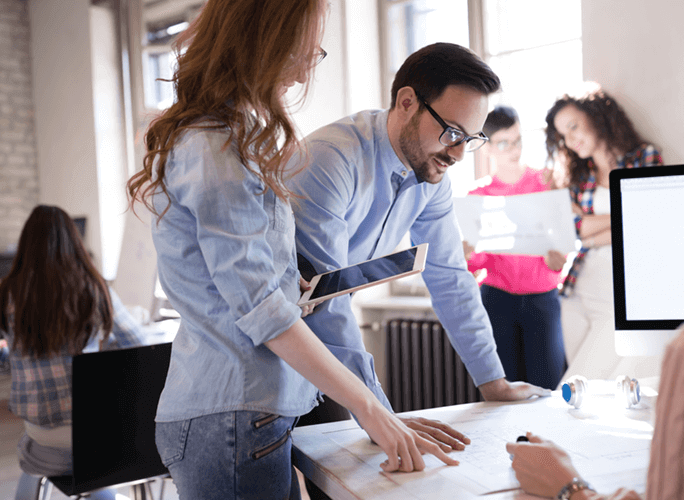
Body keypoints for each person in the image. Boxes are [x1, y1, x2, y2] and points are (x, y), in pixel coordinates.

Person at [126, 2, 459, 499]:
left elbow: (248, 290)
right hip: (232, 411)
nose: (306, 69)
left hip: (244, 412)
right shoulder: (217, 144)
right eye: (304, 51)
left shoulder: (230, 137)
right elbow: (262, 312)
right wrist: (370, 408)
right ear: (262, 41)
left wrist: (291, 289)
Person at [506, 100, 684, 499]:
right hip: (580, 285)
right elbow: (577, 229)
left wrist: (568, 488)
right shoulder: (577, 174)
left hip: (622, 286)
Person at [287, 42, 544, 417]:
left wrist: (494, 383)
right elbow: (326, 299)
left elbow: (450, 277)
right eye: (452, 133)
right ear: (407, 102)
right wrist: (380, 413)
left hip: (321, 341)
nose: (457, 155)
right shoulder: (331, 160)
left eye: (469, 140)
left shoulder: (431, 177)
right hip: (271, 348)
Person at [0, 205, 147, 500]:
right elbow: (138, 343)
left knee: (33, 455)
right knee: (97, 466)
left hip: (42, 435)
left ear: (27, 245)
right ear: (74, 242)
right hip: (94, 433)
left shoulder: (7, 292)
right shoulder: (94, 287)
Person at [544, 86, 663, 382]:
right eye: (563, 134)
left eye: (573, 126)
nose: (570, 140)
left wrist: (589, 234)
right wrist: (626, 216)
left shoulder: (644, 158)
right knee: (585, 395)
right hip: (575, 291)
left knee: (580, 384)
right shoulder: (576, 176)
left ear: (597, 116)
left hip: (620, 292)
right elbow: (574, 228)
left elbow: (648, 223)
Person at [463, 105, 567, 390]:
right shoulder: (478, 195)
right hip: (498, 299)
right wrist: (467, 254)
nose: (514, 149)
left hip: (542, 299)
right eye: (504, 143)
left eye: (518, 140)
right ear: (488, 148)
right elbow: (474, 264)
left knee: (546, 386)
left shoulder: (546, 182)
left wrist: (559, 257)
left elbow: (561, 250)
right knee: (502, 386)